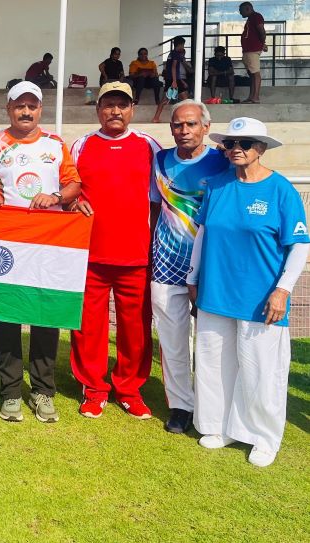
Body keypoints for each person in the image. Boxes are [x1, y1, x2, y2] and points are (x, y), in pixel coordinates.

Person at [187, 117, 308, 467]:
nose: (237, 149)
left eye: (247, 143)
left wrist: (283, 290)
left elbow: (299, 246)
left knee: (261, 368)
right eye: (231, 143)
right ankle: (218, 426)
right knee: (213, 363)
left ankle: (263, 436)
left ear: (262, 149)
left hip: (261, 297)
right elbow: (203, 234)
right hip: (215, 290)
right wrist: (193, 278)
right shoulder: (218, 185)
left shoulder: (280, 189)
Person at [0, 81, 82, 423]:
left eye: (32, 106)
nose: (26, 111)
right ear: (8, 109)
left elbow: (74, 184)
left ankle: (42, 390)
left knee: (44, 316)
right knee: (6, 315)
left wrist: (57, 198)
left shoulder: (56, 144)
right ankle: (9, 392)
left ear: (40, 110)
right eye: (19, 106)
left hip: (47, 242)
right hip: (7, 243)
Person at [70, 81, 159, 420]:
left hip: (136, 256)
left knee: (134, 327)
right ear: (98, 109)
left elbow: (159, 199)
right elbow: (69, 189)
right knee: (88, 327)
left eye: (122, 104)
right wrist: (75, 201)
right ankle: (93, 388)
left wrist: (152, 245)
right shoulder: (82, 145)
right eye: (109, 104)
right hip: (91, 256)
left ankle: (129, 388)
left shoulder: (148, 146)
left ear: (132, 109)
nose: (115, 111)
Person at [149, 100, 231, 435]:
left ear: (206, 127)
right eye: (178, 125)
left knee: (212, 342)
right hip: (165, 267)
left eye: (192, 124)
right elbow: (155, 209)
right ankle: (181, 406)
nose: (184, 131)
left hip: (209, 268)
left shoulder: (223, 161)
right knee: (172, 341)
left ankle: (213, 407)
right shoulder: (159, 160)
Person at [152, 36, 189, 123]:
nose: (183, 47)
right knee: (183, 99)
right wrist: (175, 81)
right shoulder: (176, 54)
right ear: (180, 45)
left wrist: (181, 81)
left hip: (171, 79)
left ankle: (156, 118)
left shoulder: (171, 53)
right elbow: (173, 67)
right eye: (183, 45)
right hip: (173, 80)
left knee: (182, 98)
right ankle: (187, 117)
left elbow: (173, 69)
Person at [239, 2, 266, 103]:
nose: (240, 13)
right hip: (248, 50)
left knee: (255, 73)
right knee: (251, 74)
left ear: (247, 8)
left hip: (252, 50)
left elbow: (262, 31)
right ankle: (251, 96)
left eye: (241, 10)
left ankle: (255, 97)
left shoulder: (256, 16)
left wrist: (262, 43)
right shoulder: (250, 19)